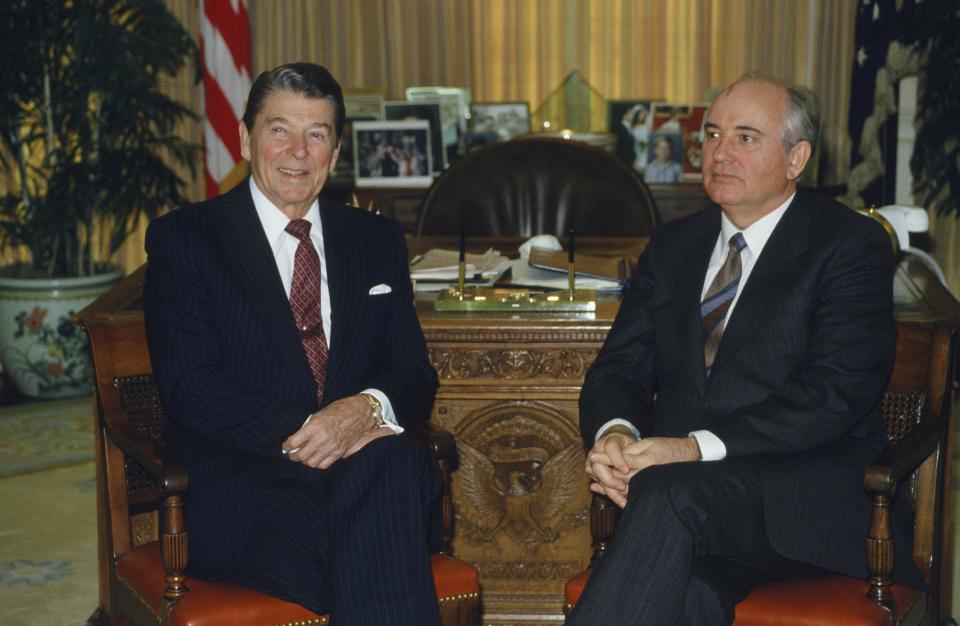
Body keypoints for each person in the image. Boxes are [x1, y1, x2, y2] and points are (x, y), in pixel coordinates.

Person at [566, 76, 920, 625]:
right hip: (691, 510)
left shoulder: (848, 245)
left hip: (803, 498)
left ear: (796, 158)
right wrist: (618, 434)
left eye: (746, 137)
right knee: (687, 595)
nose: (720, 152)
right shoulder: (674, 245)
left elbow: (833, 395)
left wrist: (689, 449)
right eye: (711, 135)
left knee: (667, 495)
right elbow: (619, 368)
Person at [143, 63, 442, 626]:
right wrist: (317, 433)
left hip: (368, 471)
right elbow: (192, 389)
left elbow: (411, 372)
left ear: (336, 147)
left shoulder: (374, 239)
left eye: (317, 134)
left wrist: (363, 410)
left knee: (389, 467)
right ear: (244, 137)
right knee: (384, 521)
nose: (297, 152)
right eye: (279, 129)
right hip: (250, 491)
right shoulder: (186, 239)